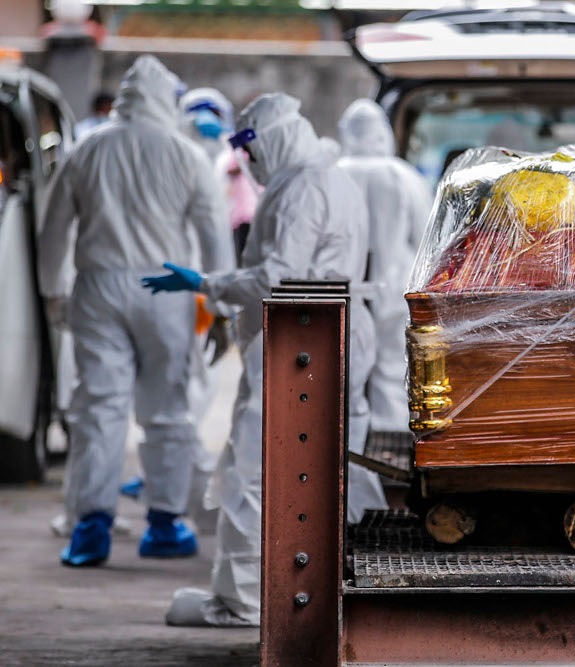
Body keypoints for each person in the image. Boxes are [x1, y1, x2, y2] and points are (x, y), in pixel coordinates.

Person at [143, 93, 386, 627]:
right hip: (333, 331)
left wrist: (207, 284)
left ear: (272, 137)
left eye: (251, 147)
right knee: (331, 467)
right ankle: (325, 592)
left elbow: (279, 276)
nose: (248, 162)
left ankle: (245, 601)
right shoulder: (328, 179)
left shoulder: (301, 187)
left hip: (303, 340)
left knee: (256, 469)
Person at [38, 55, 233, 566]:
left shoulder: (87, 148)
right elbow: (215, 236)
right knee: (168, 407)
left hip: (98, 286)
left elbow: (54, 228)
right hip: (165, 288)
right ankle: (165, 524)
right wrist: (221, 302)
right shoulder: (185, 154)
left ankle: (90, 528)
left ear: (124, 98)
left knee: (98, 407)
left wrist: (52, 291)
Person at [338, 99, 432, 433]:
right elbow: (428, 241)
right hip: (396, 292)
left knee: (341, 379)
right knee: (393, 373)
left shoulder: (332, 174)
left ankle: (348, 453)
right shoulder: (403, 175)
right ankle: (389, 457)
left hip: (340, 294)